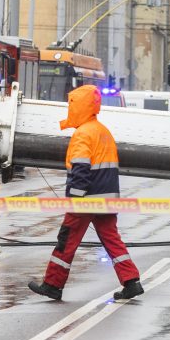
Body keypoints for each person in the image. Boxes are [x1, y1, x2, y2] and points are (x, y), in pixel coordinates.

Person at [29, 85, 143, 302]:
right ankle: (131, 282)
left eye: (72, 105)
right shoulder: (103, 130)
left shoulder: (83, 134)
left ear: (79, 106)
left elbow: (81, 168)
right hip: (107, 197)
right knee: (112, 240)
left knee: (67, 240)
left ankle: (53, 284)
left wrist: (74, 198)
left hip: (86, 199)